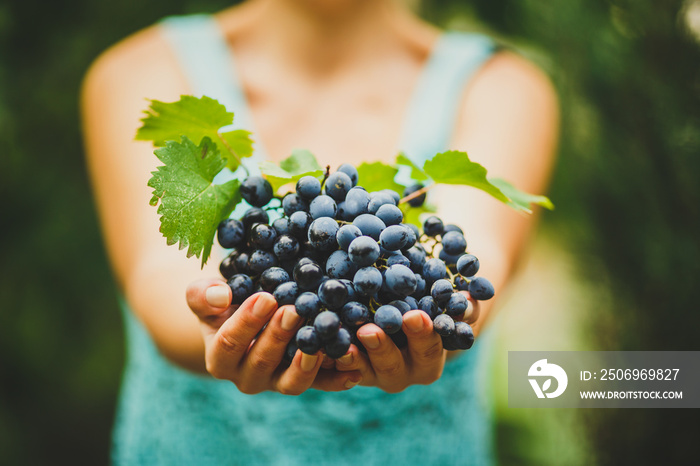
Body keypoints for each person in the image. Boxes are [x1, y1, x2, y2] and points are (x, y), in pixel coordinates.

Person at [81, 0, 558, 463]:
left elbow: (472, 257)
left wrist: (436, 317)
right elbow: (161, 274)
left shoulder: (501, 89)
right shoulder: (141, 75)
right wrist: (218, 321)